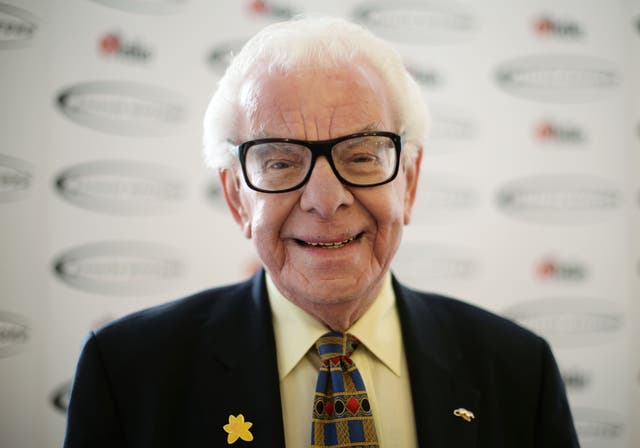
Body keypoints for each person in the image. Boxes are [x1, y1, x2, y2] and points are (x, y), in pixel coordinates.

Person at [63, 17, 579, 448]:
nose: (324, 198)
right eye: (282, 162)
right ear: (236, 196)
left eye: (360, 155)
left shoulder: (517, 370)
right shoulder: (129, 373)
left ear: (411, 181)